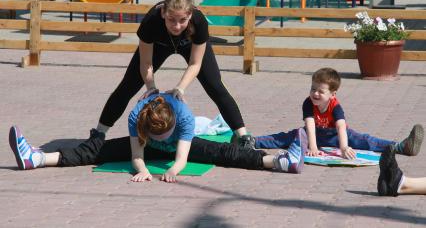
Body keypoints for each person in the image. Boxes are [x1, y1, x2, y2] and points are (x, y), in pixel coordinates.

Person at [9, 94, 308, 183]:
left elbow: (180, 157)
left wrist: (173, 170)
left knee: (225, 153)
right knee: (95, 150)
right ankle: (36, 158)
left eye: (164, 133)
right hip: (146, 148)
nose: (160, 138)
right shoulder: (136, 118)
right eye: (156, 135)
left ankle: (282, 162)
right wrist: (142, 171)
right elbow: (138, 153)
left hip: (185, 147)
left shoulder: (185, 119)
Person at [95, 0, 248, 143]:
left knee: (215, 85)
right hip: (159, 45)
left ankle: (243, 136)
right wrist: (151, 88)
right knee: (127, 86)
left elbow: (195, 64)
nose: (176, 26)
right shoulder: (151, 20)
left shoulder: (199, 21)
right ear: (163, 13)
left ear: (190, 15)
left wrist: (180, 88)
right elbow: (146, 63)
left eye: (182, 20)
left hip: (189, 44)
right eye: (171, 20)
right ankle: (98, 134)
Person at [240, 68, 424, 160]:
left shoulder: (335, 106)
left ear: (332, 94)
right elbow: (310, 125)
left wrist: (344, 148)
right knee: (285, 137)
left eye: (320, 91)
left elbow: (341, 126)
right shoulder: (308, 102)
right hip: (314, 135)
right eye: (313, 89)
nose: (315, 94)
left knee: (366, 141)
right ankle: (251, 141)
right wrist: (312, 146)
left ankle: (401, 146)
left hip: (336, 136)